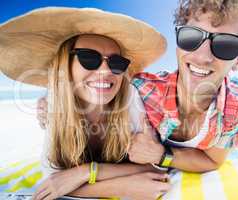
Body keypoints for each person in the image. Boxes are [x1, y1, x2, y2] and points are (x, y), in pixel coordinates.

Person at [0, 7, 170, 200]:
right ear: (66, 64)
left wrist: (85, 173)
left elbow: (154, 166)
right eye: (89, 58)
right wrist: (121, 186)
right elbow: (53, 182)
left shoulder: (130, 99)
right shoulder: (54, 106)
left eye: (117, 63)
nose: (106, 70)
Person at [127, 0, 238, 172]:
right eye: (191, 36)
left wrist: (160, 154)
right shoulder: (141, 90)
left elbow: (212, 161)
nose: (202, 57)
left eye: (225, 45)